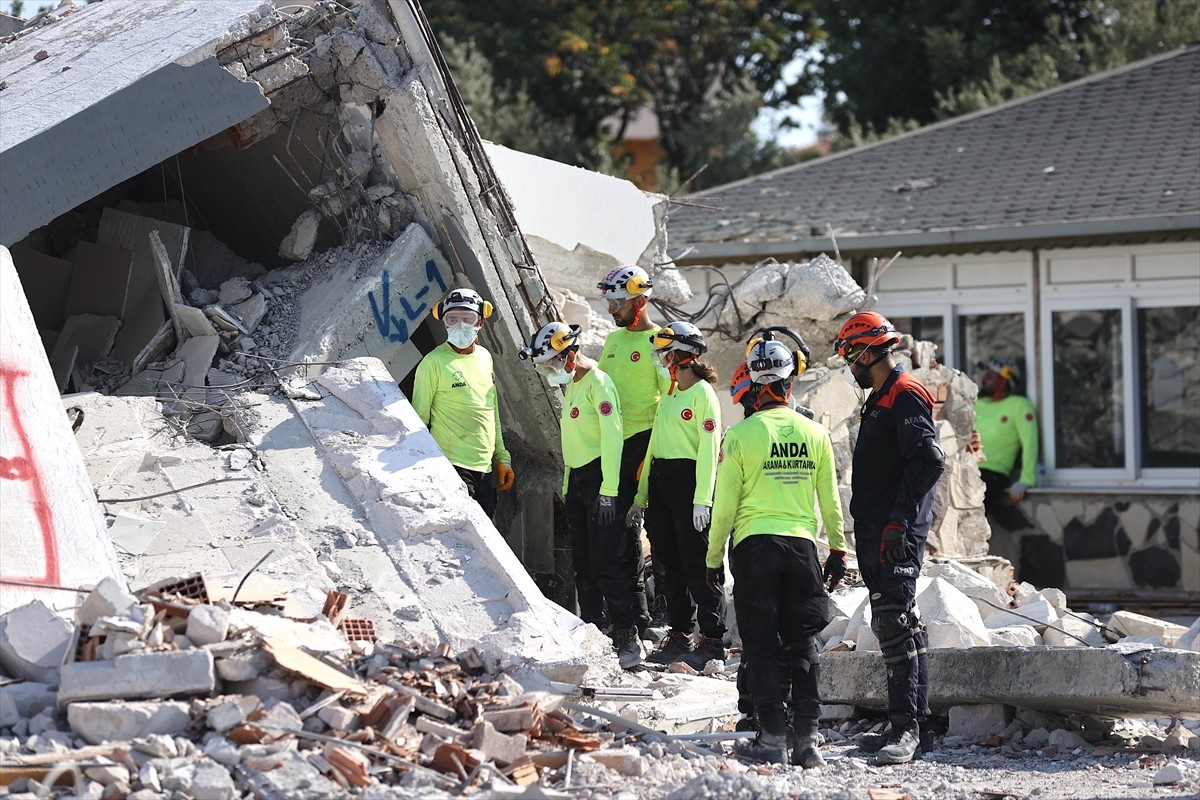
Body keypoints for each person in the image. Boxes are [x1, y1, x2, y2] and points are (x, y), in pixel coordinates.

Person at [705, 331, 847, 767]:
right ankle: (808, 742)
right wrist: (838, 550)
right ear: (790, 382)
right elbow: (831, 500)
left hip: (754, 549)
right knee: (804, 644)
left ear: (755, 383)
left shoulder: (742, 435)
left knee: (762, 644)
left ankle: (770, 738)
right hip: (802, 549)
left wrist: (713, 558)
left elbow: (724, 506)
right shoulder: (816, 434)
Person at [834, 310, 946, 765]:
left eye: (848, 356)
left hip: (896, 529)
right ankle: (909, 721)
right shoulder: (879, 397)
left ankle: (909, 730)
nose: (849, 365)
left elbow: (928, 461)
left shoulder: (904, 394)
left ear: (864, 350)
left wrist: (900, 522)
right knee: (896, 620)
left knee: (894, 622)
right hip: (877, 526)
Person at [518, 321, 645, 668]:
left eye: (550, 365)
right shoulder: (572, 385)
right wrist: (567, 484)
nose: (548, 372)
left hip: (601, 480)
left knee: (606, 562)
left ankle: (627, 634)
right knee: (583, 566)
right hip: (577, 481)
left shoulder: (598, 384)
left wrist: (608, 491)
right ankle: (593, 629)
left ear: (570, 355)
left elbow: (612, 439)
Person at [626, 322, 724, 669]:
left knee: (699, 564)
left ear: (683, 354)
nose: (662, 358)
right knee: (668, 564)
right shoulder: (669, 394)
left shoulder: (703, 395)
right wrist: (641, 496)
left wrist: (703, 499)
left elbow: (710, 450)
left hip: (689, 481)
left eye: (667, 351)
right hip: (662, 481)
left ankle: (711, 640)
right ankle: (680, 633)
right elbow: (654, 446)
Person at [597, 265, 670, 634]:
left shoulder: (658, 341)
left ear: (640, 300)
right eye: (609, 301)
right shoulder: (613, 342)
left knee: (658, 533)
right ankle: (632, 619)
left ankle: (668, 619)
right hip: (614, 448)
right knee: (618, 537)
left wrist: (652, 454)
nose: (612, 309)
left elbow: (670, 399)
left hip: (646, 445)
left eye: (619, 302)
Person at [412, 288, 514, 516]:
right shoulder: (433, 363)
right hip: (452, 467)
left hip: (486, 470)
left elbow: (491, 412)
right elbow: (418, 421)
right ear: (444, 322)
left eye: (468, 319)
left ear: (481, 322)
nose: (460, 325)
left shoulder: (485, 358)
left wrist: (502, 458)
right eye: (452, 319)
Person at [974, 358, 1038, 532]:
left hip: (992, 473)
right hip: (966, 469)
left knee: (967, 519)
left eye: (990, 376)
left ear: (1003, 381)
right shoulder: (978, 405)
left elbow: (1030, 443)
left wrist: (1026, 479)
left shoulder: (1019, 406)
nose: (984, 379)